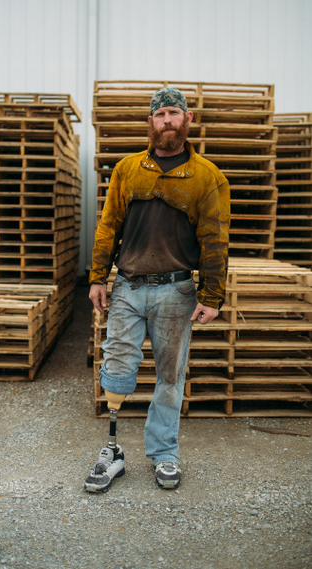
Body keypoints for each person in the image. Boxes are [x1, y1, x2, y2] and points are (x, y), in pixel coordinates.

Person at [84, 87, 230, 493]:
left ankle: (164, 453)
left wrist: (212, 295)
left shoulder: (208, 177)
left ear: (188, 120)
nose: (167, 120)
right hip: (127, 288)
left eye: (174, 113)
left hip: (176, 291)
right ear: (150, 122)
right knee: (116, 368)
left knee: (170, 375)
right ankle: (111, 451)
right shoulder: (128, 169)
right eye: (160, 113)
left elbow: (215, 240)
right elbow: (108, 225)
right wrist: (98, 276)